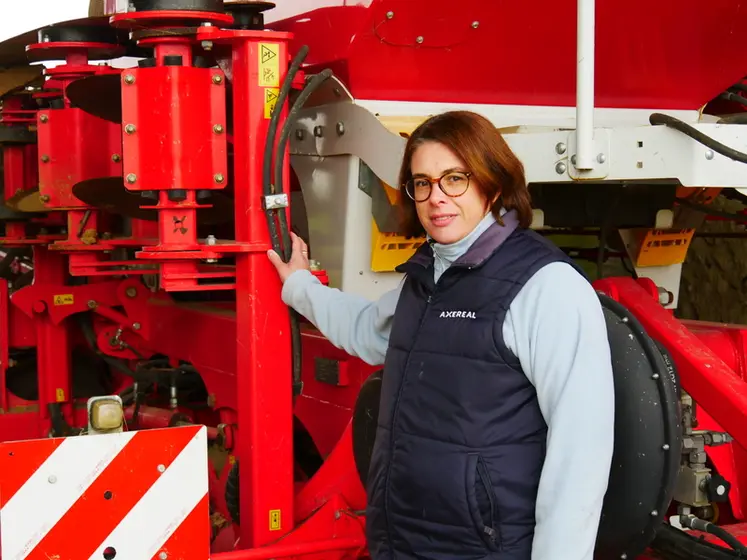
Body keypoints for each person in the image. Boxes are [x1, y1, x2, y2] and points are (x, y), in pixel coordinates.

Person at [268, 110, 615, 560]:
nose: (437, 198)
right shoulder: (427, 277)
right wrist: (299, 287)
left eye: (455, 178)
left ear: (492, 183)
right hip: (404, 541)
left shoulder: (547, 286)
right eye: (423, 183)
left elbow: (580, 456)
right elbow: (366, 330)